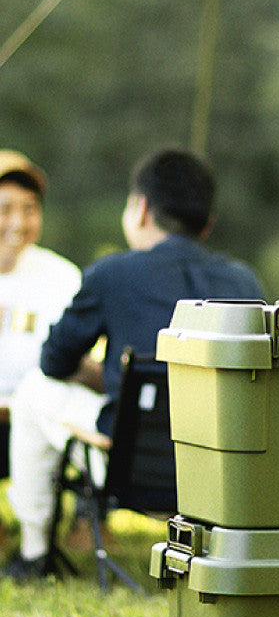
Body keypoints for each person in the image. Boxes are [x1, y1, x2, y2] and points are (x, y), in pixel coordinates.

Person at [2, 146, 263, 580]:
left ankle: (33, 554)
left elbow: (53, 363)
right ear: (208, 222)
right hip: (216, 472)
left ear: (140, 209)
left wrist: (106, 375)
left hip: (131, 465)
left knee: (34, 391)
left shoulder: (111, 275)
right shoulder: (242, 281)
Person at [0, 150, 81, 478]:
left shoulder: (62, 276)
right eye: (5, 209)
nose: (18, 223)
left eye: (29, 209)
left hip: (37, 419)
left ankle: (82, 519)